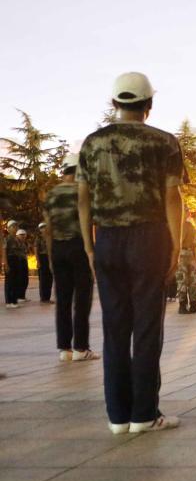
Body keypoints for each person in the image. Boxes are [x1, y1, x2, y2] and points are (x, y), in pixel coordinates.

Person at [78, 71, 184, 433]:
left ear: (114, 103)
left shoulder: (93, 143)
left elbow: (83, 199)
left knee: (115, 328)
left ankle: (118, 416)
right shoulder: (164, 142)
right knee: (147, 328)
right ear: (149, 104)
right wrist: (176, 244)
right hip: (149, 238)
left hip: (107, 239)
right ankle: (144, 414)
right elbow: (172, 196)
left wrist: (90, 246)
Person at [44, 153, 99, 362]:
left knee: (63, 300)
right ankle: (81, 348)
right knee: (82, 299)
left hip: (58, 248)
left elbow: (48, 229)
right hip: (79, 246)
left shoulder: (51, 194)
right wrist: (91, 251)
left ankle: (64, 349)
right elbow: (90, 223)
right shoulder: (83, 191)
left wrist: (51, 256)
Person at [175, 210, 196, 315]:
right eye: (186, 210)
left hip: (190, 253)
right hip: (181, 254)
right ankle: (182, 305)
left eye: (188, 211)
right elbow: (179, 241)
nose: (188, 212)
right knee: (182, 280)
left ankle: (193, 305)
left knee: (194, 280)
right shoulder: (179, 224)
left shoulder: (189, 225)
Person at [3, 223, 27, 308]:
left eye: (16, 226)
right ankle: (9, 302)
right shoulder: (6, 239)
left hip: (17, 260)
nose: (15, 228)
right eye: (13, 227)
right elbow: (4, 252)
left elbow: (20, 251)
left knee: (16, 281)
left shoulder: (16, 240)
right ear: (8, 228)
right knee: (9, 282)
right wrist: (6, 264)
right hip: (10, 260)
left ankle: (14, 301)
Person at [35, 223, 53, 303]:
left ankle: (48, 298)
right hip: (42, 258)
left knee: (50, 279)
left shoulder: (50, 238)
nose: (44, 229)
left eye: (45, 227)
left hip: (49, 258)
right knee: (43, 279)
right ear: (40, 230)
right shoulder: (38, 238)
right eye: (42, 228)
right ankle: (43, 298)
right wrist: (38, 262)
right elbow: (36, 251)